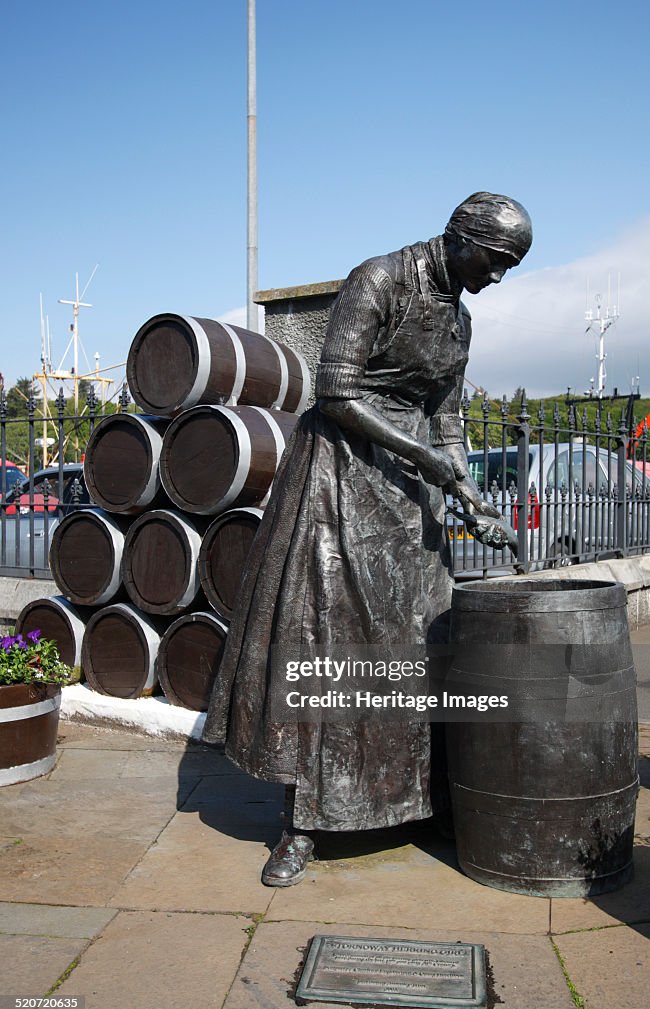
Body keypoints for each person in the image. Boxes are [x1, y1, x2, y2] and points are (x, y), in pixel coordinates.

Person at [203, 191, 533, 886]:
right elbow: (334, 390)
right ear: (458, 237)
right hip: (339, 472)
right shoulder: (379, 278)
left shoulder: (459, 320)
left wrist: (467, 492)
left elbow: (445, 416)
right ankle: (302, 820)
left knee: (420, 634)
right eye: (496, 260)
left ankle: (415, 796)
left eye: (511, 266)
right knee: (328, 631)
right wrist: (427, 460)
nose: (498, 276)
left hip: (409, 486)